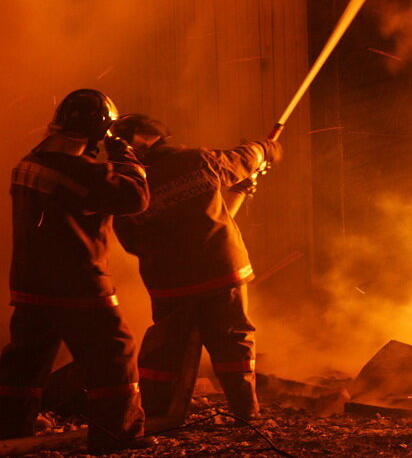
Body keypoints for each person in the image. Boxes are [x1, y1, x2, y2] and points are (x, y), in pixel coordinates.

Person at [0, 89, 153, 453]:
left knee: (25, 363)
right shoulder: (79, 173)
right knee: (115, 355)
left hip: (31, 284)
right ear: (98, 134)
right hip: (77, 286)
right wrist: (123, 152)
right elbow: (135, 197)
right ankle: (118, 437)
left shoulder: (29, 162)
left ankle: (10, 433)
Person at [111, 114, 283, 421]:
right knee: (233, 341)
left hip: (169, 281)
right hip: (221, 271)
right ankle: (246, 413)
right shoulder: (197, 160)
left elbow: (129, 241)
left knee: (164, 349)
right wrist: (265, 149)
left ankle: (155, 414)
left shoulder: (127, 185)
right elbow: (242, 158)